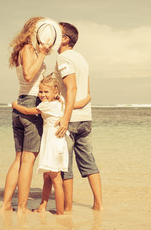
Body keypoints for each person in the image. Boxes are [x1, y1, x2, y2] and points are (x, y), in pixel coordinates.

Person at [0, 17, 58, 214]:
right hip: (30, 104)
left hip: (21, 103)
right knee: (27, 161)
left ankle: (7, 204)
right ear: (34, 32)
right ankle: (22, 207)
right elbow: (28, 75)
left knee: (19, 159)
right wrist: (42, 54)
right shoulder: (28, 50)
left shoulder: (25, 50)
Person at [11, 75, 91, 214]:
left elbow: (28, 111)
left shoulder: (46, 105)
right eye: (40, 92)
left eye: (46, 92)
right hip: (58, 144)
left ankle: (60, 213)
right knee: (48, 176)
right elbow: (75, 104)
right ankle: (43, 207)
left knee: (56, 179)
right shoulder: (61, 101)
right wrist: (88, 97)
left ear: (55, 92)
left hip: (52, 144)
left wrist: (16, 106)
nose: (42, 95)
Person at [53, 22, 103, 211]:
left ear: (65, 39)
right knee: (89, 161)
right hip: (85, 118)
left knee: (65, 166)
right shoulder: (81, 59)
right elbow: (87, 93)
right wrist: (79, 105)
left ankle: (67, 209)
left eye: (56, 34)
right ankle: (98, 205)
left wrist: (65, 116)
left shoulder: (63, 58)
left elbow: (72, 88)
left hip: (70, 119)